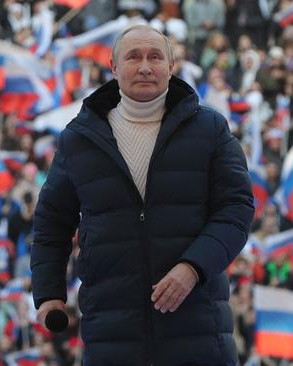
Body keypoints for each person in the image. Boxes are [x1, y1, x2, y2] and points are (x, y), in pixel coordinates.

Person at [31, 24, 254, 365]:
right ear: (114, 67)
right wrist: (49, 294)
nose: (145, 66)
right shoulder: (78, 139)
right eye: (133, 57)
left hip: (198, 330)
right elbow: (51, 223)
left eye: (155, 57)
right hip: (111, 334)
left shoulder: (211, 129)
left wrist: (192, 268)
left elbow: (236, 209)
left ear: (171, 66)